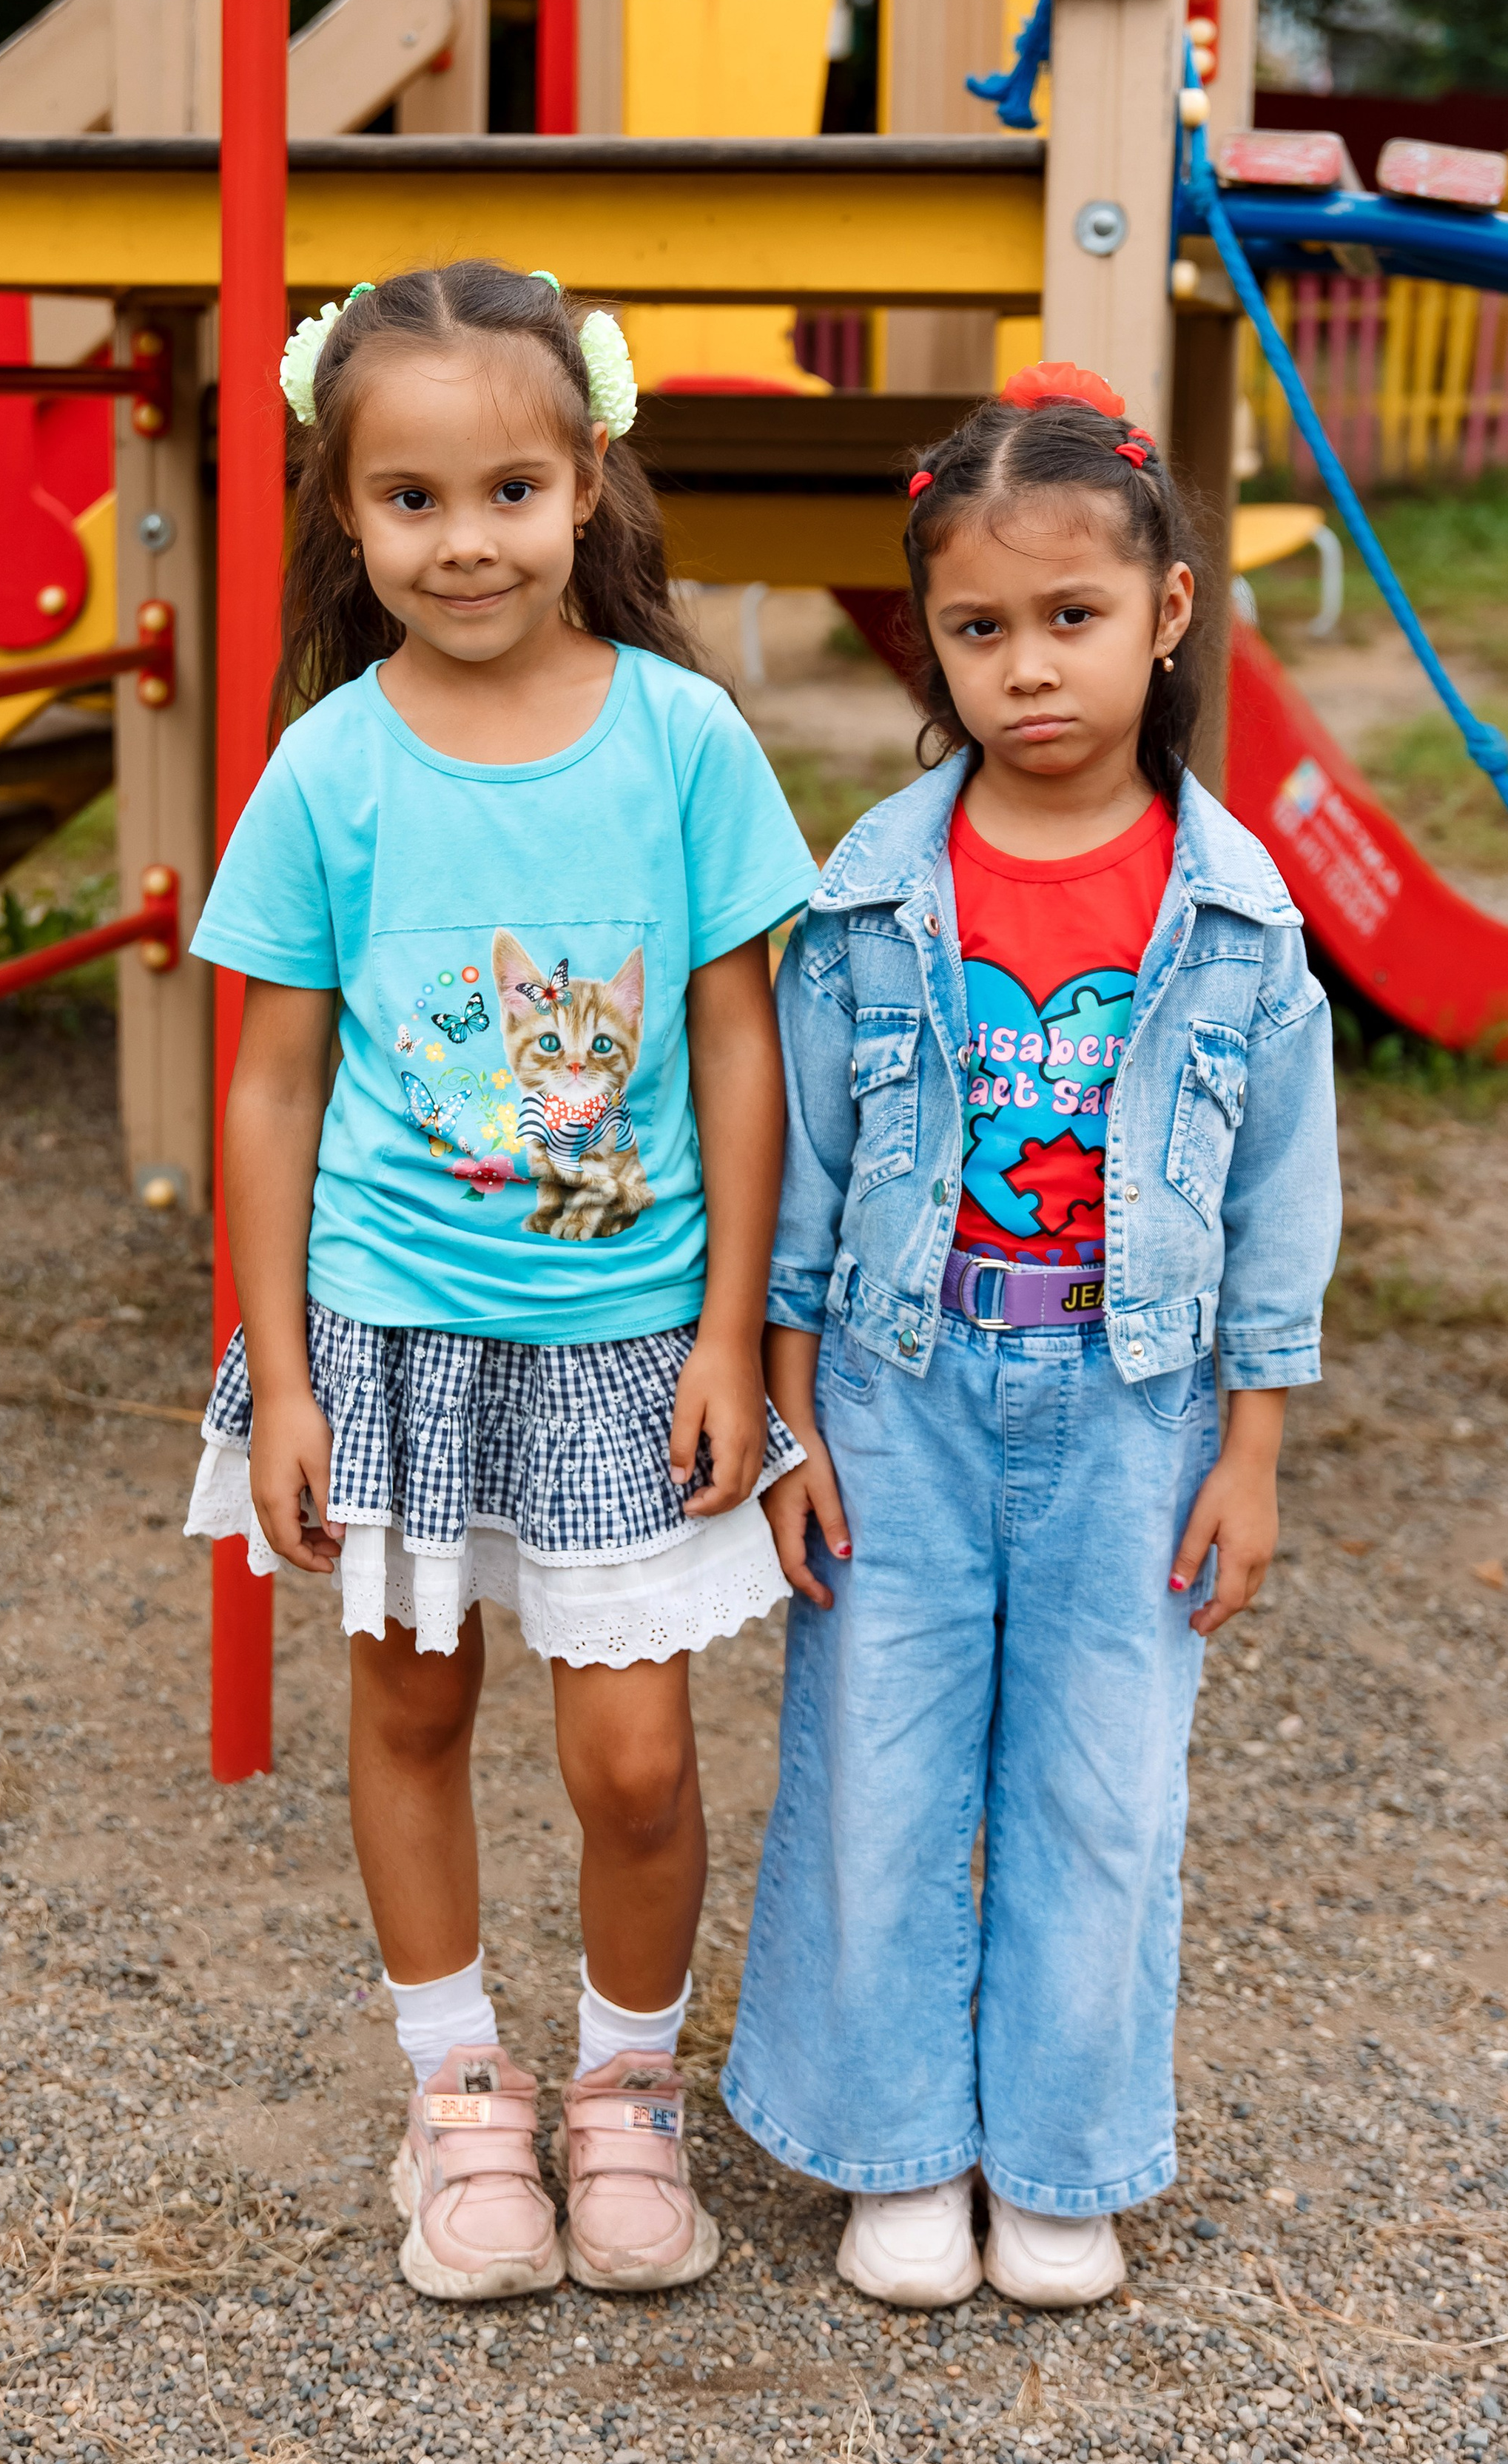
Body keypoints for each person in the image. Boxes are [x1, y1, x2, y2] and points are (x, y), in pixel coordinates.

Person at [184, 263, 815, 2303]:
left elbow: (737, 1035)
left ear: (589, 479)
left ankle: (627, 2092)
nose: (467, 542)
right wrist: (277, 1379)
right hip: (389, 1329)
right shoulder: (326, 768)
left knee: (634, 1761)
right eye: (413, 501)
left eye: (514, 490)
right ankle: (459, 2091)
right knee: (414, 1698)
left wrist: (731, 1330)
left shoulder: (690, 739)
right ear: (344, 514)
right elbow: (274, 1083)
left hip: (633, 1335)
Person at [723, 363, 1340, 2311]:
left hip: (1136, 1411)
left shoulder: (1238, 917)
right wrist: (790, 1417)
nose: (1029, 671)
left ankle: (1063, 2159)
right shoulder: (871, 897)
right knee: (882, 1772)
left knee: (1101, 1782)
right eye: (979, 630)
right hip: (899, 1401)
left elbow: (1277, 1205)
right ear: (933, 641)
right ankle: (898, 2152)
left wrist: (1253, 1448)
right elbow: (813, 1174)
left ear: (1168, 613)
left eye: (1072, 621)